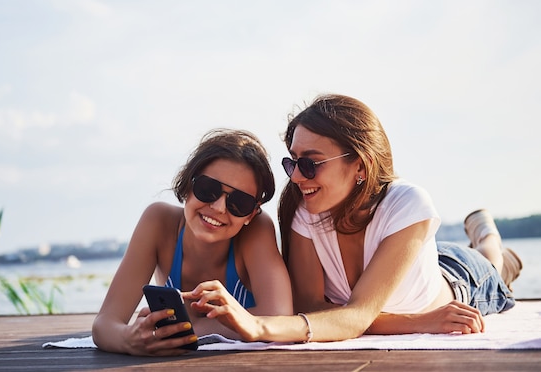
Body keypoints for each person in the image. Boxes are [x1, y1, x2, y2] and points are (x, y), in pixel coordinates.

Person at [183, 94, 522, 343]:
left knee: (493, 263)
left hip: (460, 282)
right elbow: (312, 307)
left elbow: (355, 316)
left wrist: (258, 325)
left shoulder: (407, 203)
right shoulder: (305, 211)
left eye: (311, 163)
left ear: (359, 165)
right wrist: (417, 322)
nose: (298, 177)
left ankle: (487, 237)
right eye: (293, 162)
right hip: (415, 280)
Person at [92, 129, 292, 355]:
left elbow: (280, 317)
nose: (218, 208)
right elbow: (104, 324)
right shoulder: (158, 222)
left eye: (240, 202)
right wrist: (130, 339)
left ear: (251, 214)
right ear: (188, 184)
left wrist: (190, 329)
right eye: (208, 189)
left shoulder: (256, 229)